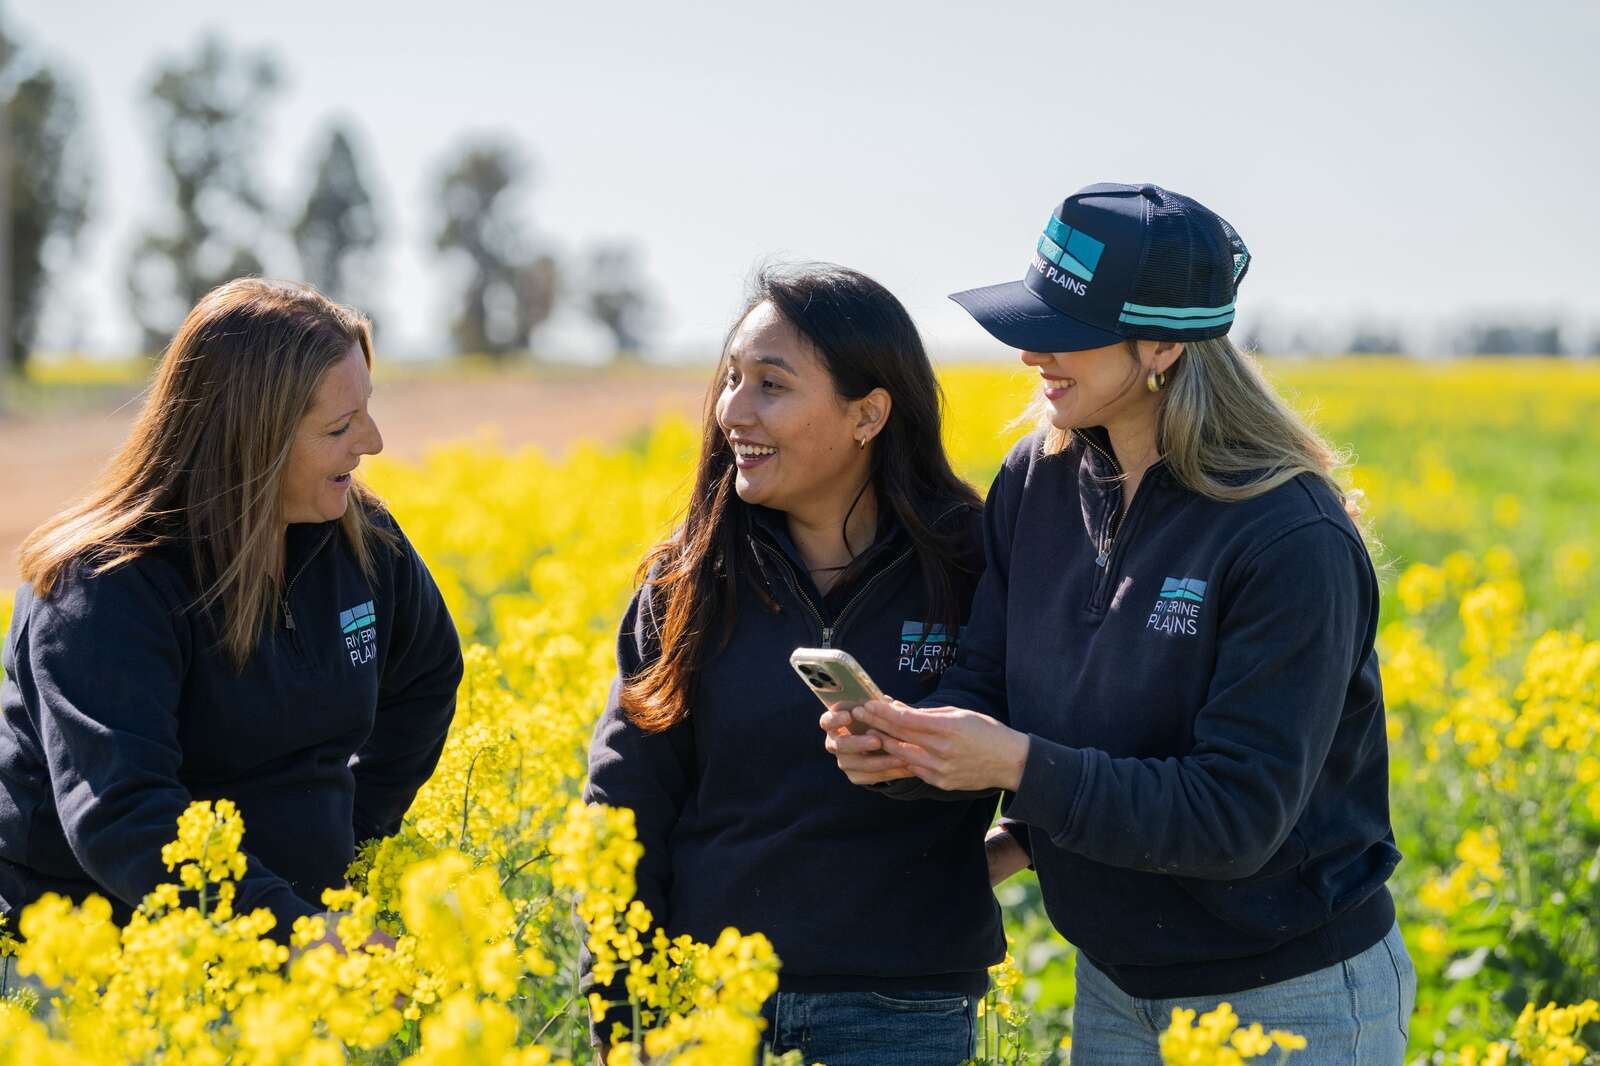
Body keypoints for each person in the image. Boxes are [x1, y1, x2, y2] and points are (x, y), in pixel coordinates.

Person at [823, 184, 1417, 1063]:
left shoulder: (1290, 537)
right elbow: (987, 682)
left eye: (1063, 329)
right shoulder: (1037, 481)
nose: (1030, 351)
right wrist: (910, 753)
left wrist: (1018, 767)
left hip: (1290, 999)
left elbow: (1235, 818)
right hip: (1115, 982)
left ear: (1162, 345)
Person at [583, 264, 1005, 1065]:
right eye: (732, 379)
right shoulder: (686, 581)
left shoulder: (975, 566)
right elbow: (622, 807)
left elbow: (1059, 732)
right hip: (704, 1006)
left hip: (897, 1010)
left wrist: (1010, 842)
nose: (733, 411)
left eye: (772, 385)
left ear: (869, 414)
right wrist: (621, 1019)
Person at [0, 278, 462, 954]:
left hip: (279, 936)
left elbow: (427, 679)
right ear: (253, 442)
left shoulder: (359, 538)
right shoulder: (102, 586)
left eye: (367, 409)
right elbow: (124, 817)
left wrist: (352, 839)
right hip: (96, 954)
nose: (374, 442)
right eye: (339, 427)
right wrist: (297, 935)